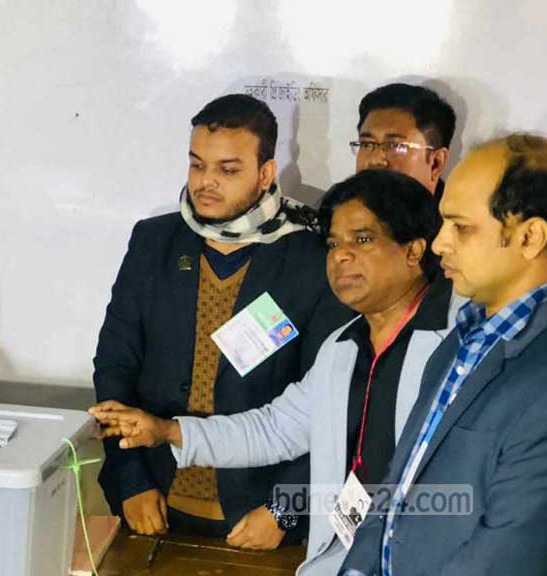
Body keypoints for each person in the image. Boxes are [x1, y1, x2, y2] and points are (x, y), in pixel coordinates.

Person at [92, 169, 462, 575]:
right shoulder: (343, 347)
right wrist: (167, 431)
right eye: (334, 243)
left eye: (362, 240)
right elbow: (275, 430)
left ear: (413, 251)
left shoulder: (458, 345)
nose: (340, 256)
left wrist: (283, 510)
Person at [93, 93, 354, 548]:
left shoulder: (311, 259)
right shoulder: (153, 242)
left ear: (265, 173)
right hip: (153, 500)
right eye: (197, 165)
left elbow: (331, 405)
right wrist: (131, 478)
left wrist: (285, 510)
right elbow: (114, 367)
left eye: (228, 170)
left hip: (257, 518)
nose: (206, 182)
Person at [340, 134, 547, 576]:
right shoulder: (462, 337)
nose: (438, 244)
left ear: (531, 236)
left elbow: (509, 557)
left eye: (461, 227)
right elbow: (397, 485)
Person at [351, 83, 456, 196]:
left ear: (436, 163)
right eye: (366, 144)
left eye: (395, 146)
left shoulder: (458, 211)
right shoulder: (336, 209)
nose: (375, 160)